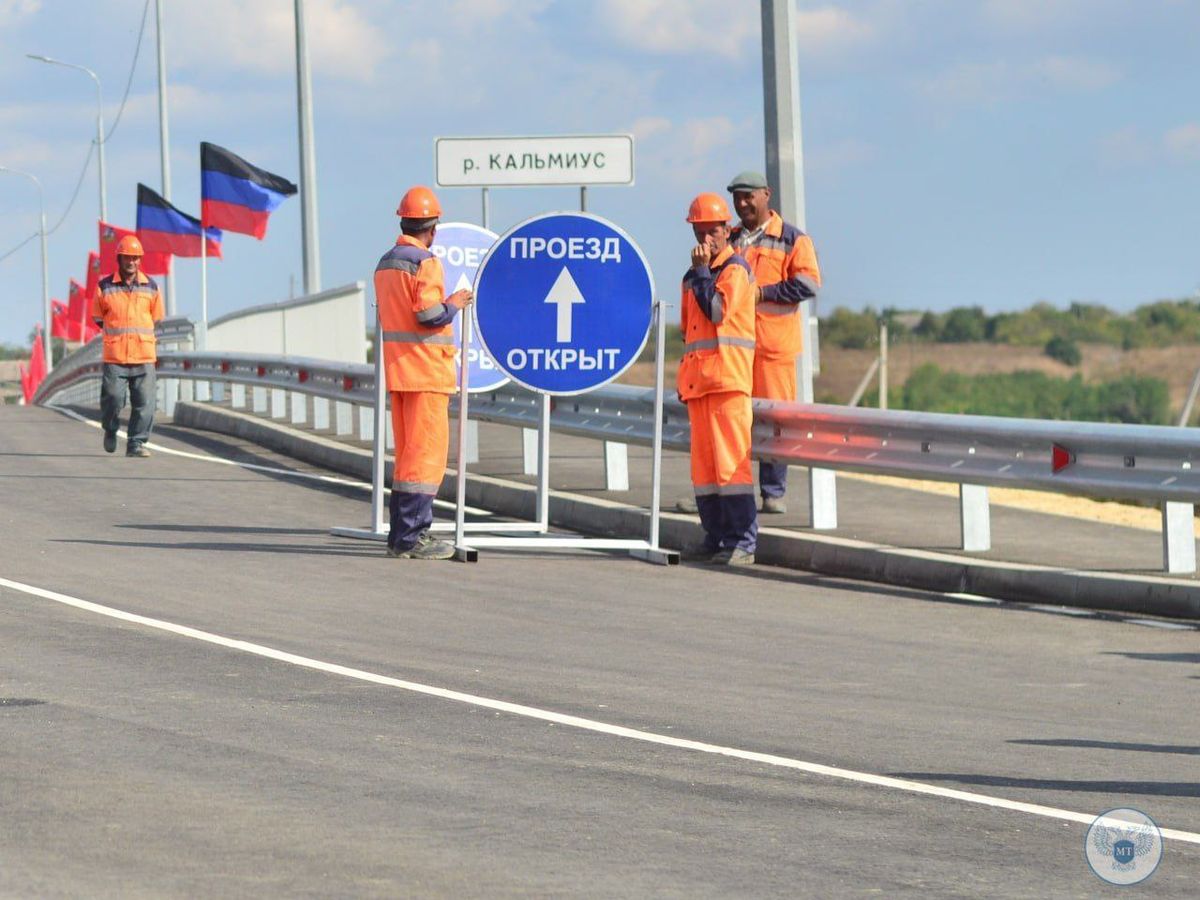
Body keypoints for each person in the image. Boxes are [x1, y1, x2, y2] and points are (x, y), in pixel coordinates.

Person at [374, 185, 473, 560]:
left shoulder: (386, 263)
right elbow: (429, 315)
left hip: (400, 372)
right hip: (426, 373)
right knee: (425, 459)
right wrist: (455, 303)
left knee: (407, 457)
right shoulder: (425, 262)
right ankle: (413, 538)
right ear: (432, 229)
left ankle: (400, 536)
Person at [726, 170, 822, 514]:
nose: (742, 203)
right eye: (737, 197)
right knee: (732, 420)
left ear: (766, 194)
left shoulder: (793, 239)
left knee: (774, 421)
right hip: (734, 349)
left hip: (773, 349)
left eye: (748, 195)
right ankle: (733, 491)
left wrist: (763, 292)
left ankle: (772, 492)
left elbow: (809, 285)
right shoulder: (730, 237)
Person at [677, 193, 758, 566]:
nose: (705, 240)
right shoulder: (693, 276)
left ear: (727, 230)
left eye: (712, 232)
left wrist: (703, 273)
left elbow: (716, 311)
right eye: (699, 232)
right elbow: (688, 330)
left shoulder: (734, 271)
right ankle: (716, 537)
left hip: (727, 381)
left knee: (730, 467)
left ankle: (742, 541)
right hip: (699, 384)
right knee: (705, 470)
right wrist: (699, 274)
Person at [91, 234, 164, 458]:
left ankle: (136, 444)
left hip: (143, 355)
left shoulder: (151, 287)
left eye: (135, 258)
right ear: (119, 259)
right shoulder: (104, 287)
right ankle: (110, 429)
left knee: (145, 403)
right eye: (127, 258)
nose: (131, 262)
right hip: (116, 356)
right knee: (112, 399)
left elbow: (157, 318)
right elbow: (98, 317)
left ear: (140, 260)